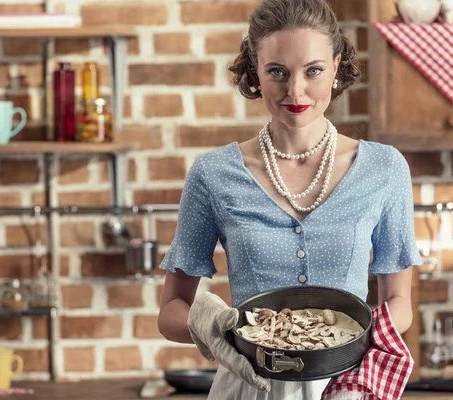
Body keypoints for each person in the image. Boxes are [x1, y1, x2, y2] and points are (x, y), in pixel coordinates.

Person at [157, 0, 422, 398]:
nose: (295, 91)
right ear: (255, 74)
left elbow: (400, 301)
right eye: (277, 72)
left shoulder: (384, 169)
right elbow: (171, 310)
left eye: (312, 70)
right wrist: (211, 324)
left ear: (335, 67)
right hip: (250, 385)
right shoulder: (213, 174)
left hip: (348, 385)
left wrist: (355, 342)